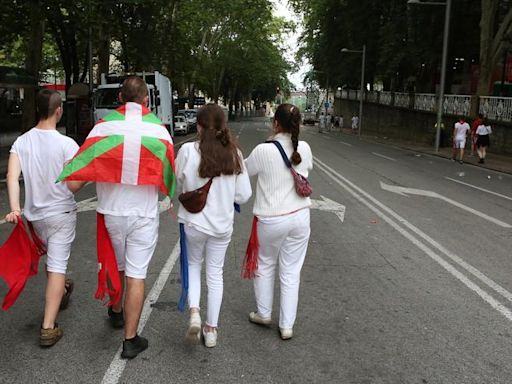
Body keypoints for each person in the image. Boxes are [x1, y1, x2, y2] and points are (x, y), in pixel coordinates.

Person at [64, 76, 176, 359]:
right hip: (143, 214)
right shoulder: (160, 131)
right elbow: (169, 176)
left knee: (119, 265)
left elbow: (75, 182)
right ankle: (130, 339)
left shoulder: (103, 129)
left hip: (112, 213)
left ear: (119, 98)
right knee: (136, 275)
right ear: (146, 99)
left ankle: (115, 310)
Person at [5, 89, 78, 347]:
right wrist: (88, 175)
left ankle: (62, 288)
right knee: (57, 266)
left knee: (54, 264)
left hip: (35, 218)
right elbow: (73, 186)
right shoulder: (67, 144)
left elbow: (12, 177)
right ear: (59, 111)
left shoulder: (22, 142)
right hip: (61, 214)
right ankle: (48, 327)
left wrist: (15, 208)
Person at [176, 103, 252, 348]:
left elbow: (180, 182)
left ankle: (195, 312)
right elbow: (243, 195)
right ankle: (211, 330)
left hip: (193, 223)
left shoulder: (188, 150)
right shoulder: (234, 153)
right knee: (215, 274)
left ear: (198, 126)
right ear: (223, 126)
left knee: (193, 265)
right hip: (221, 226)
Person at [245, 103, 313, 340]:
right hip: (300, 217)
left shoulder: (263, 150)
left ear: (275, 123)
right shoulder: (304, 147)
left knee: (265, 264)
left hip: (271, 219)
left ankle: (264, 313)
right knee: (291, 271)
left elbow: (243, 170)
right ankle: (286, 326)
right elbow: (306, 171)